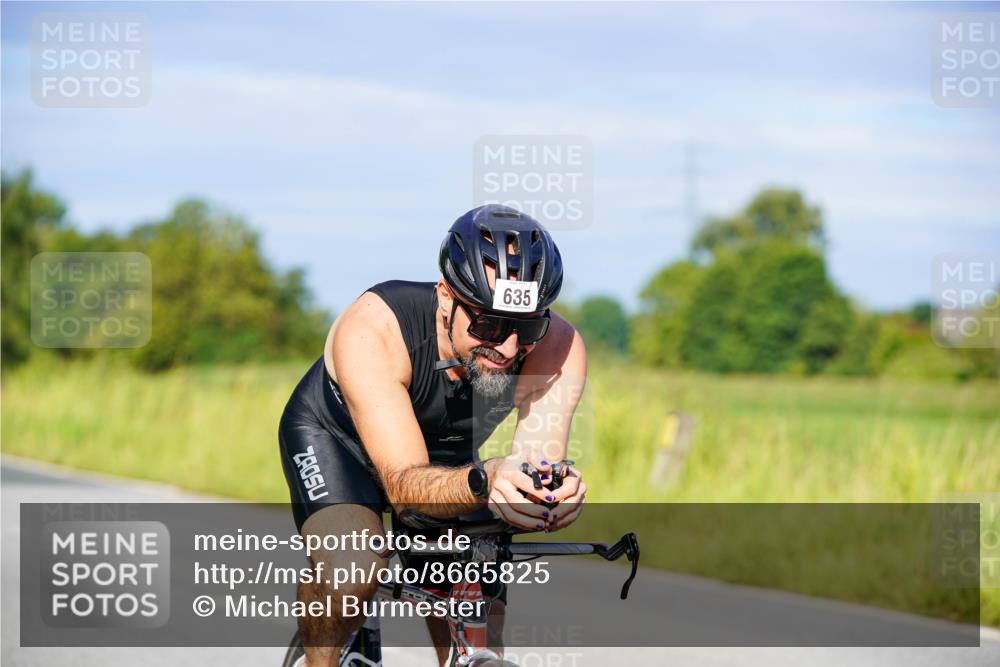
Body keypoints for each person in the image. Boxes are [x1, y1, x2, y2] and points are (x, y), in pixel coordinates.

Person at [278, 204, 588, 666]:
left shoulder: (558, 346)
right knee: (352, 569)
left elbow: (532, 468)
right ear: (446, 296)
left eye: (525, 327)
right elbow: (405, 486)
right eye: (487, 323)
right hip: (336, 440)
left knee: (478, 605)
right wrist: (486, 479)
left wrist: (547, 495)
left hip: (443, 453)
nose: (506, 348)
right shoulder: (375, 327)